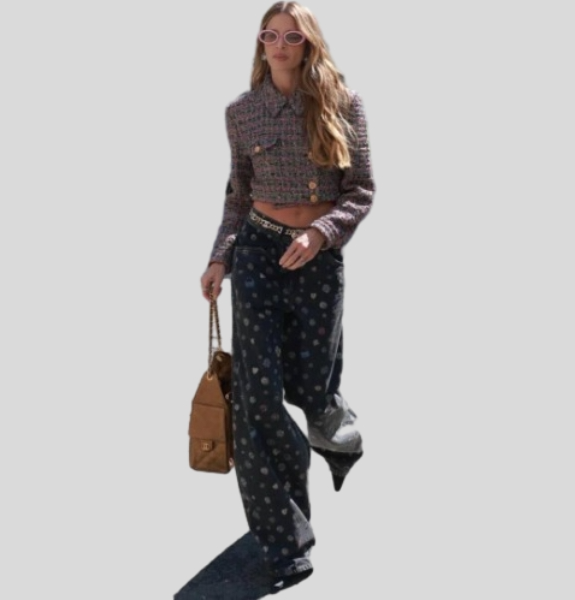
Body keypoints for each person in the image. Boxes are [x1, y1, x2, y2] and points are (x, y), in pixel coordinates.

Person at [199, 1, 375, 592]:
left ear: (309, 43)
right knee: (256, 399)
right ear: (260, 44)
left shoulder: (343, 104)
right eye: (269, 35)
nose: (278, 44)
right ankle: (284, 542)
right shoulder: (242, 112)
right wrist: (220, 256)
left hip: (318, 261)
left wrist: (321, 232)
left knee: (312, 386)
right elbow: (236, 194)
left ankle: (337, 437)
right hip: (257, 255)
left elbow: (360, 190)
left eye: (291, 36)